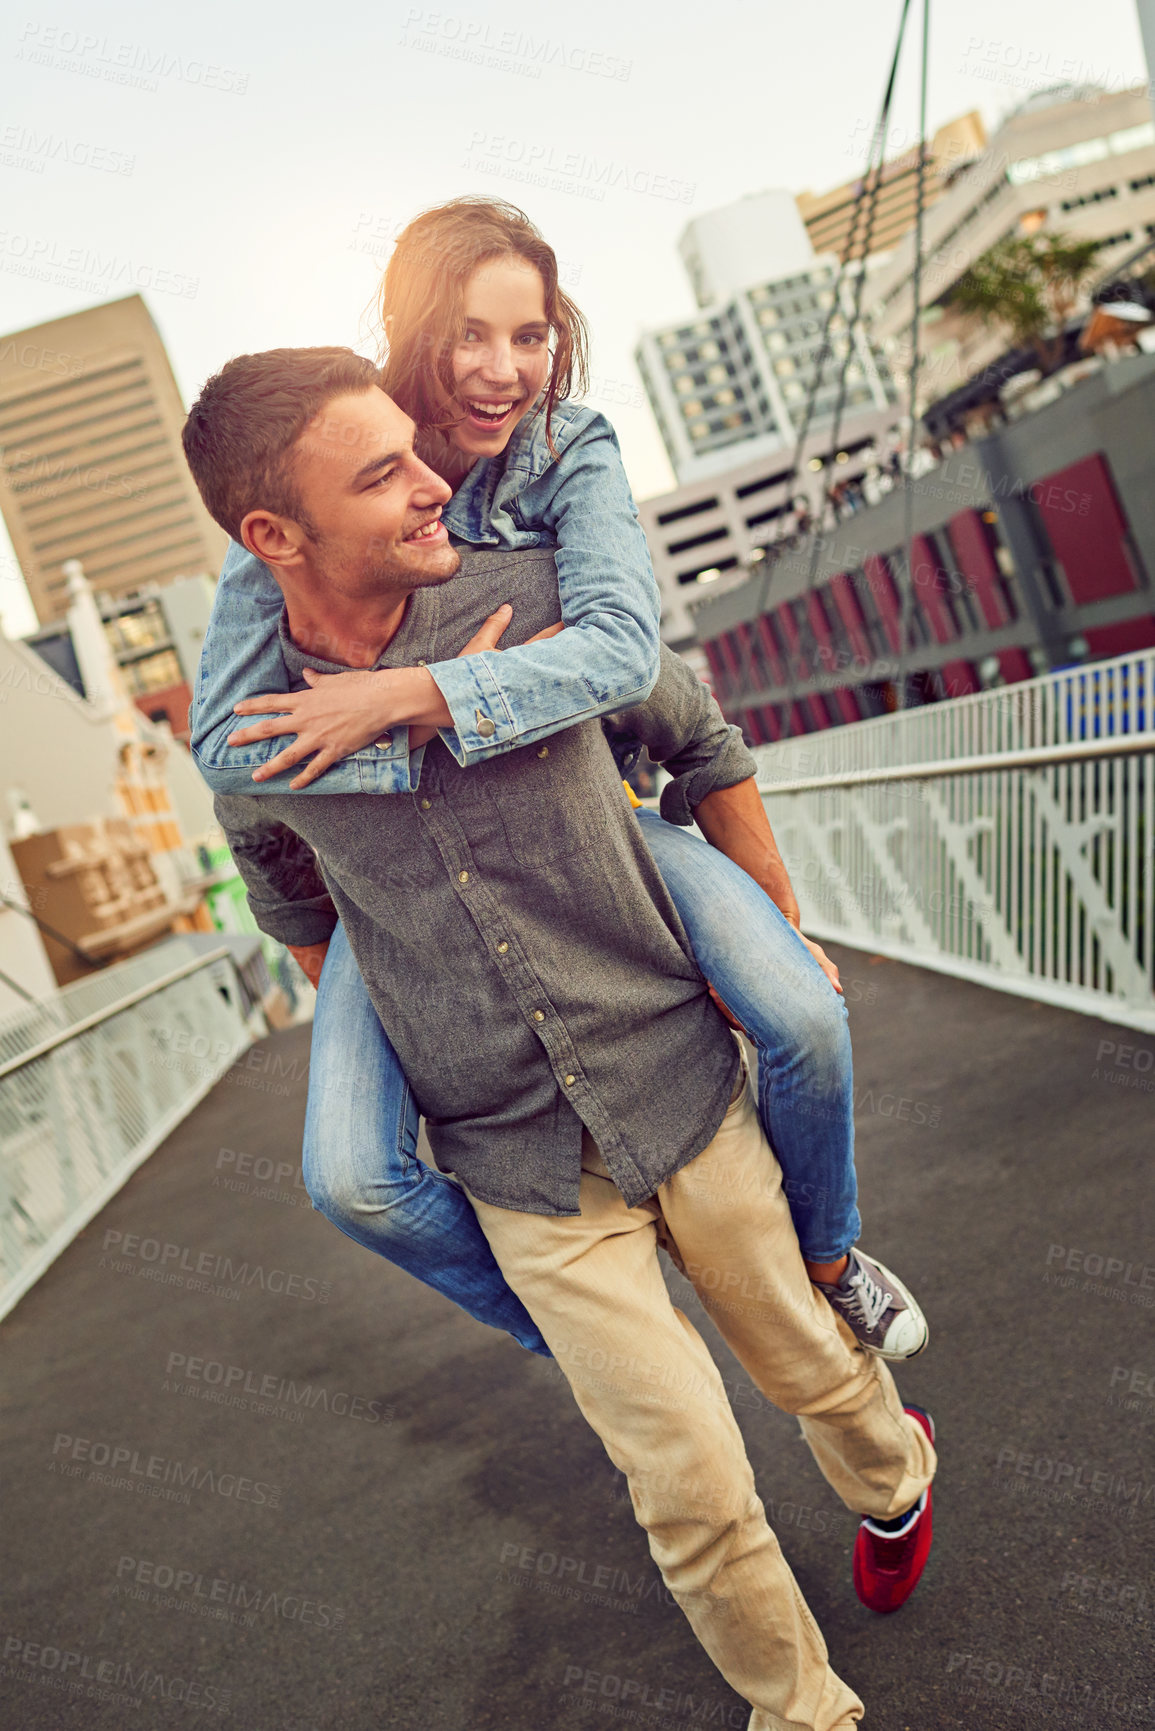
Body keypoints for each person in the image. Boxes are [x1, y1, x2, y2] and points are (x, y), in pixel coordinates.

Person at [182, 347, 939, 1728]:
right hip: (510, 1151)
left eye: (418, 453)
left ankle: (895, 1477)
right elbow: (289, 894)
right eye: (383, 475)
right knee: (689, 1481)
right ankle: (800, 1709)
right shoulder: (250, 731)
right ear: (270, 540)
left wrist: (765, 931)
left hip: (673, 1077)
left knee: (799, 1361)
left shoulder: (536, 602)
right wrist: (407, 987)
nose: (437, 488)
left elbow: (695, 738)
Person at [189, 197, 927, 1364]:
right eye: (469, 336)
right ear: (409, 331)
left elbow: (634, 663)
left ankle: (832, 1256)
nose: (501, 371)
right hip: (416, 895)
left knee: (799, 1011)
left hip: (606, 816)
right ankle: (563, 1316)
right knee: (350, 1179)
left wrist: (421, 699)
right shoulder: (312, 481)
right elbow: (229, 752)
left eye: (529, 336)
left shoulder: (567, 448)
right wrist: (401, 775)